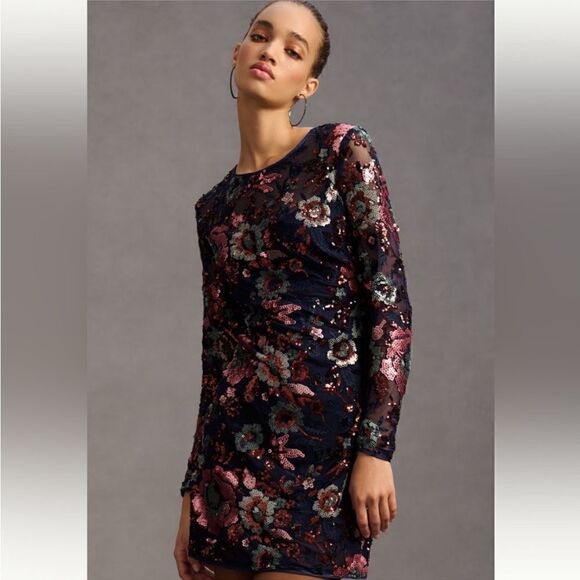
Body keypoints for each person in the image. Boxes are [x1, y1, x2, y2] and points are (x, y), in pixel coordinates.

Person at [174, 2, 413, 579]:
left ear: (308, 84)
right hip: (227, 468)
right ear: (237, 54)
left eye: (292, 49)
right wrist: (191, 491)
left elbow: (390, 308)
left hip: (322, 462)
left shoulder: (340, 152)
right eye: (260, 36)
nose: (270, 51)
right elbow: (218, 355)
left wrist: (376, 448)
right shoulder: (214, 208)